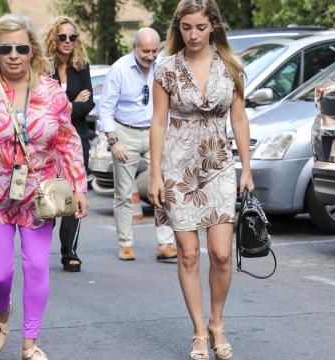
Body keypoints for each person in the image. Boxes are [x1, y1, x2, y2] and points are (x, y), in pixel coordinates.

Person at [0, 14, 88, 360]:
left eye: (21, 48)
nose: (13, 55)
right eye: (5, 48)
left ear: (32, 51)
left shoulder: (51, 92)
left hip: (39, 196)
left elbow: (68, 140)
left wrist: (78, 185)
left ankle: (29, 342)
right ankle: (2, 310)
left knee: (37, 266)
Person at [148, 0, 255, 359]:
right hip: (178, 170)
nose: (193, 35)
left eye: (200, 27)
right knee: (189, 254)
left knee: (222, 254)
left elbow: (239, 119)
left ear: (214, 28)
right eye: (187, 27)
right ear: (178, 28)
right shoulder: (166, 68)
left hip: (219, 165)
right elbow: (159, 122)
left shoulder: (230, 67)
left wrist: (247, 170)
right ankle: (198, 331)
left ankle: (216, 322)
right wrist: (154, 174)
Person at [97, 27, 176, 262]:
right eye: (145, 52)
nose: (150, 56)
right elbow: (105, 109)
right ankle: (125, 244)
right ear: (134, 48)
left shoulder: (162, 67)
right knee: (123, 192)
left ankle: (165, 242)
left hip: (155, 132)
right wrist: (113, 141)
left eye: (154, 51)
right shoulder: (119, 69)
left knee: (162, 188)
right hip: (125, 133)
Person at [43, 16, 94, 272]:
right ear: (53, 38)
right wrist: (72, 102)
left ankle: (69, 251)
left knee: (75, 192)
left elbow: (89, 104)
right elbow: (43, 107)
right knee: (50, 192)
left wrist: (68, 105)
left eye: (72, 37)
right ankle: (39, 247)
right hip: (48, 142)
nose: (67, 42)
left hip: (77, 138)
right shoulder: (42, 68)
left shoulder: (80, 66)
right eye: (62, 37)